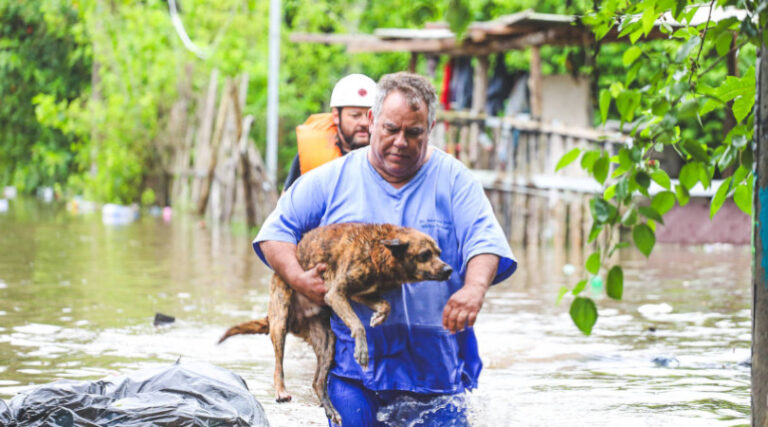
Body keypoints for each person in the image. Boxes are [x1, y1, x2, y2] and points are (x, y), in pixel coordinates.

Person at [253, 72, 517, 425]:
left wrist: (474, 288)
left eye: (414, 132)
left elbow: (485, 240)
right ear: (373, 120)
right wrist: (299, 279)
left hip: (436, 372)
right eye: (391, 129)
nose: (400, 142)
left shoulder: (456, 181)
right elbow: (275, 232)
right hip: (355, 373)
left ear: (430, 128)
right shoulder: (332, 179)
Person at [283, 73, 377, 190]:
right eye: (355, 115)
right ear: (336, 116)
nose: (364, 122)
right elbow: (286, 199)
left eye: (370, 116)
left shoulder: (390, 156)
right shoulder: (311, 151)